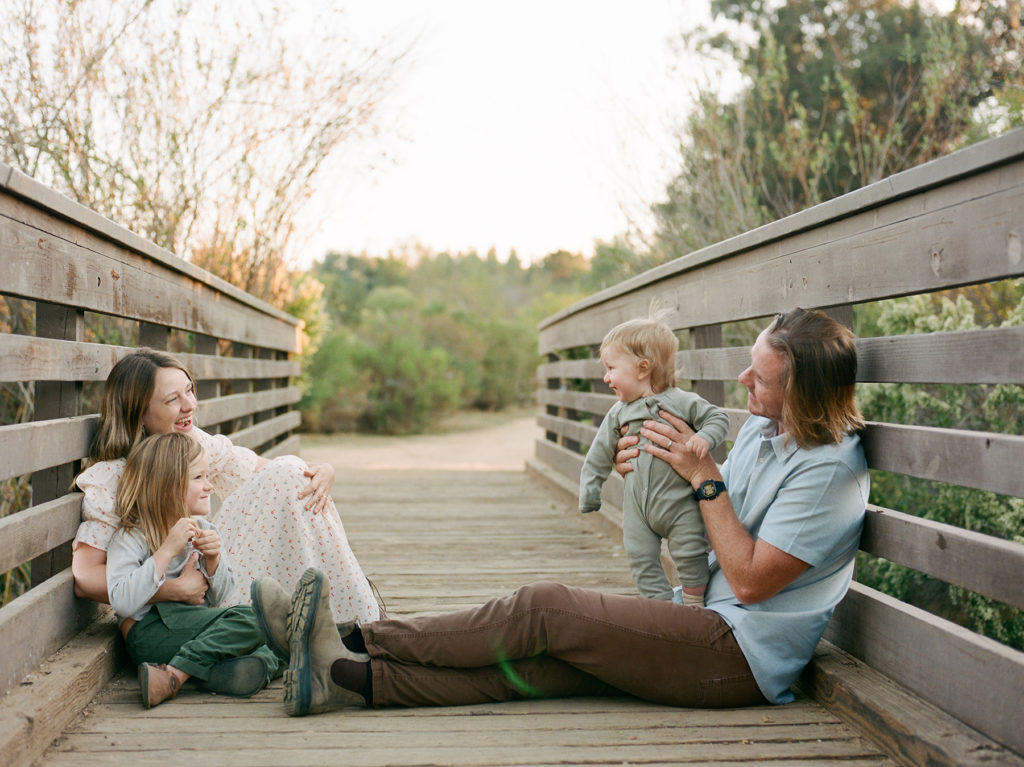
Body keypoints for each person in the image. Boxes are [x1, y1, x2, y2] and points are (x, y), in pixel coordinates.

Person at [255, 307, 869, 715]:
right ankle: (344, 680)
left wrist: (703, 477)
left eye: (759, 378)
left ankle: (347, 635)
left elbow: (751, 579)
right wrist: (662, 474)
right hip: (701, 616)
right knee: (537, 665)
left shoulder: (830, 472)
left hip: (736, 652)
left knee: (545, 609)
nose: (741, 380)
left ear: (803, 392)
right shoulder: (768, 433)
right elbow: (710, 514)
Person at [71, 348, 381, 629]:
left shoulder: (194, 442)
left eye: (190, 391)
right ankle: (356, 624)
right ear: (138, 412)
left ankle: (351, 618)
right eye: (172, 399)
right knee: (289, 473)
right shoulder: (112, 479)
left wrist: (320, 472)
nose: (189, 405)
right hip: (175, 608)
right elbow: (85, 578)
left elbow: (272, 473)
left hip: (215, 574)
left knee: (292, 474)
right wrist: (172, 589)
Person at [107, 432, 284, 707]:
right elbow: (121, 601)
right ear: (167, 486)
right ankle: (176, 675)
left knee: (275, 637)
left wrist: (213, 561)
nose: (209, 486)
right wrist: (166, 550)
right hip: (149, 632)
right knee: (257, 619)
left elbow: (220, 595)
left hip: (194, 629)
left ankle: (219, 673)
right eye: (199, 478)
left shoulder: (203, 529)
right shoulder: (132, 537)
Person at [579, 315, 729, 606]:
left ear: (642, 368)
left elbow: (717, 417)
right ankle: (659, 608)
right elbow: (598, 455)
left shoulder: (682, 401)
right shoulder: (618, 412)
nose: (606, 378)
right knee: (639, 557)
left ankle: (694, 604)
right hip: (637, 509)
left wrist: (706, 437)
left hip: (678, 504)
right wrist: (590, 490)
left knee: (690, 551)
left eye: (611, 368)